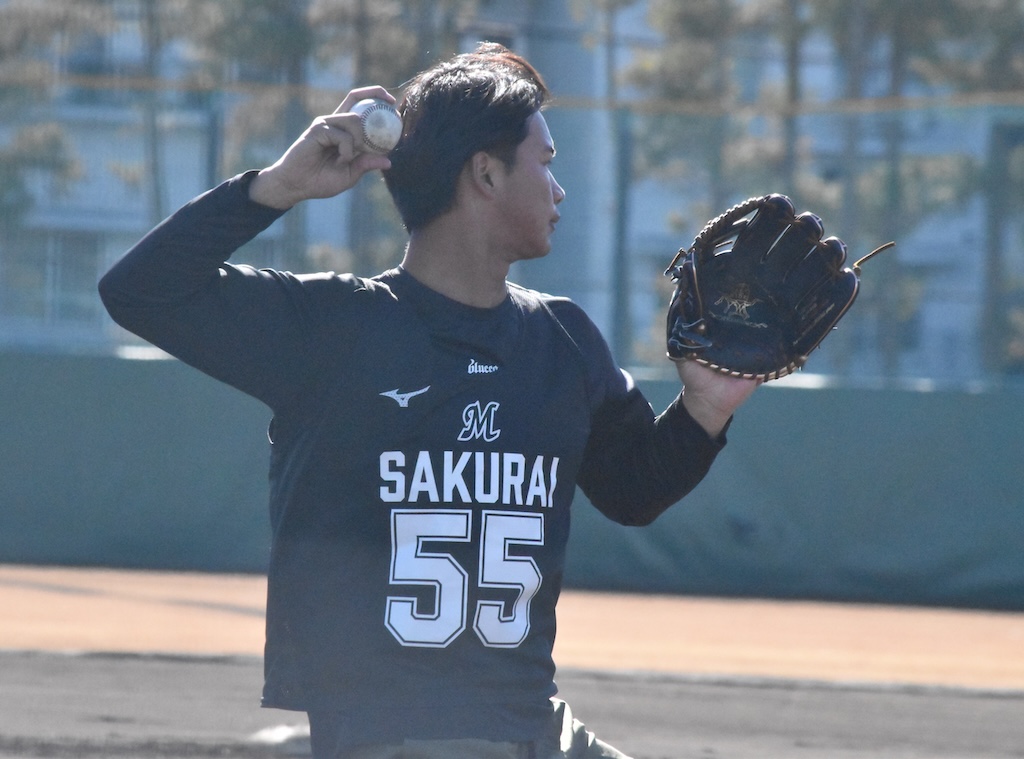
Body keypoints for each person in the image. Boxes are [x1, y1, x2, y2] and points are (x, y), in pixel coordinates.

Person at [99, 42, 757, 759]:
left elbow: (632, 491)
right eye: (545, 161)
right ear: (485, 173)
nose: (559, 189)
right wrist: (278, 186)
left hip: (529, 723)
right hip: (396, 734)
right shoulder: (338, 329)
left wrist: (706, 406)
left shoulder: (563, 338)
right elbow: (139, 291)